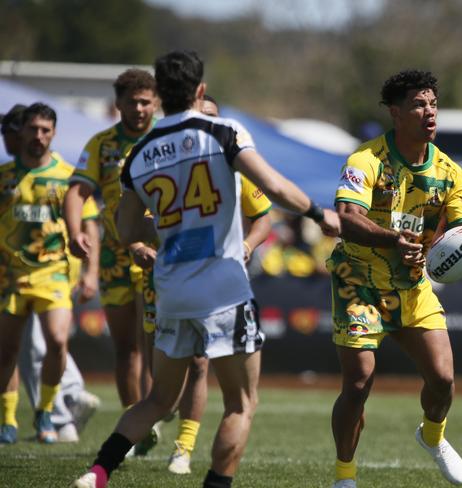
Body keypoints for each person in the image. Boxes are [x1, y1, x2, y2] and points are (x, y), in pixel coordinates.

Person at [72, 50, 340, 488]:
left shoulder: (138, 154)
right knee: (241, 404)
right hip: (223, 289)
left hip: (171, 289)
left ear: (158, 96)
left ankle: (98, 472)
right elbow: (272, 186)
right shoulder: (222, 130)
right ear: (200, 91)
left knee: (158, 398)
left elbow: (124, 229)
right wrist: (316, 212)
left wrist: (173, 227)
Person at [327, 70, 462, 487]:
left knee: (442, 379)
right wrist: (392, 239)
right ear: (395, 112)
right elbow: (346, 220)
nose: (429, 112)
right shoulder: (365, 160)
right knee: (359, 382)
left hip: (412, 282)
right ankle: (345, 477)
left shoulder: (450, 171)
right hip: (359, 281)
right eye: (419, 105)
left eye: (433, 104)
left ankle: (432, 436)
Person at [164, 93, 273, 475]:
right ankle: (128, 442)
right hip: (170, 280)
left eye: (212, 116)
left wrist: (245, 245)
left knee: (204, 367)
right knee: (151, 373)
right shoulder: (172, 163)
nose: (206, 123)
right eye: (200, 116)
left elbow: (264, 218)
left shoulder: (237, 162)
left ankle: (183, 448)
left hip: (222, 284)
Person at [63, 69, 160, 453]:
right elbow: (76, 192)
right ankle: (133, 426)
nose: (138, 108)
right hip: (117, 258)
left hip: (160, 253)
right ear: (117, 104)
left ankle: (158, 409)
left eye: (145, 101)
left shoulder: (167, 139)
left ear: (156, 103)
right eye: (131, 102)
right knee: (127, 348)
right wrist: (75, 233)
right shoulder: (102, 145)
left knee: (157, 345)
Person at [0, 104, 100, 445]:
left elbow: (90, 222)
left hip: (53, 273)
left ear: (53, 133)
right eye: (33, 129)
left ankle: (46, 410)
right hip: (10, 276)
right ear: (22, 132)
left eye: (45, 130)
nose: (39, 136)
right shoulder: (5, 178)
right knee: (8, 350)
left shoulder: (69, 176)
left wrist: (91, 271)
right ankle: (8, 419)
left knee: (57, 341)